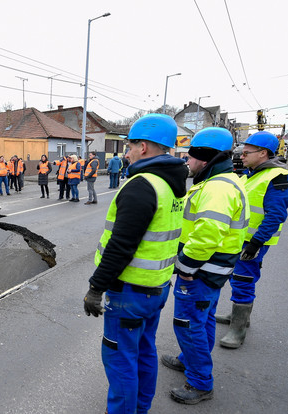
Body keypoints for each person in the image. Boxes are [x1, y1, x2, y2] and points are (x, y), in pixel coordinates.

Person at [83, 113, 188, 414]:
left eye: (129, 146)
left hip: (130, 292)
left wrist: (95, 288)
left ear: (143, 147)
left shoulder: (142, 185)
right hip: (155, 288)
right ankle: (140, 409)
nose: (126, 153)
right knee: (143, 351)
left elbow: (121, 246)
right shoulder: (172, 183)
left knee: (120, 361)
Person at [160, 127, 248, 405]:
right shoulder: (222, 182)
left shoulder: (218, 188)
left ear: (205, 157)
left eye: (191, 156)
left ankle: (200, 383)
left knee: (188, 324)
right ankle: (190, 361)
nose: (187, 161)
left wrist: (185, 267)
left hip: (201, 271)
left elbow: (208, 233)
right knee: (203, 319)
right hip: (213, 270)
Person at [216, 130, 288, 349]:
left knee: (243, 280)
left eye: (246, 153)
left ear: (263, 153)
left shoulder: (278, 177)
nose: (241, 156)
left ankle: (238, 330)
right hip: (239, 239)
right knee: (236, 277)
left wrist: (256, 243)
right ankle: (238, 316)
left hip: (252, 242)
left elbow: (276, 215)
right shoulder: (252, 173)